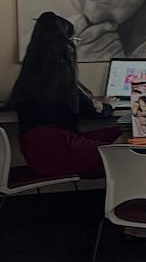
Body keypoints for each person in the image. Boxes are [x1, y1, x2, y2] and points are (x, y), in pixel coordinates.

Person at [9, 11, 119, 179]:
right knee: (126, 150)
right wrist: (108, 106)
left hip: (38, 152)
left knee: (121, 133)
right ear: (64, 43)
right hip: (60, 151)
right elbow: (91, 113)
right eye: (73, 40)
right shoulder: (58, 72)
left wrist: (92, 104)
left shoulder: (31, 72)